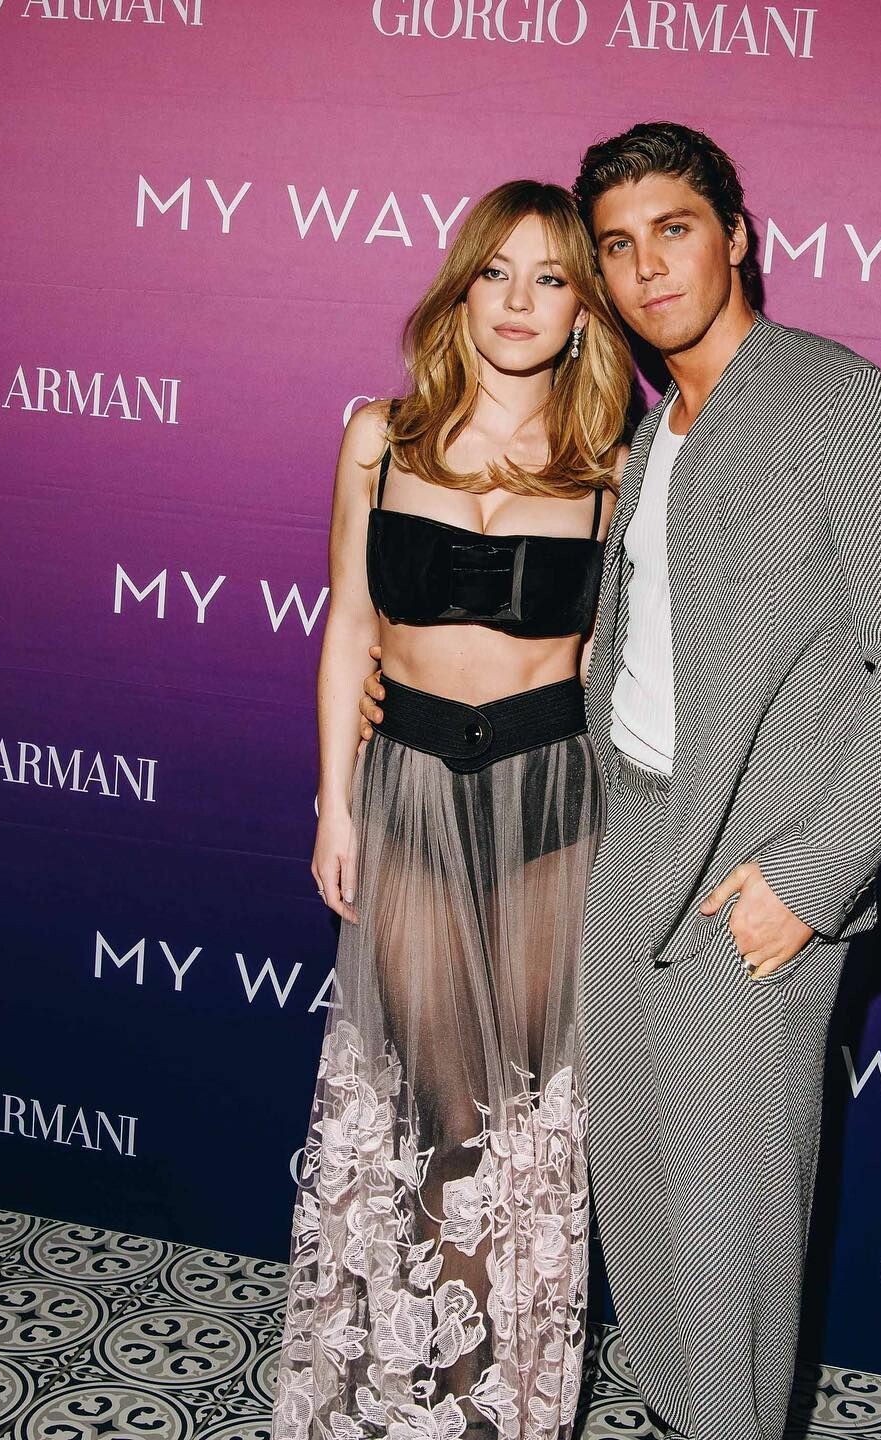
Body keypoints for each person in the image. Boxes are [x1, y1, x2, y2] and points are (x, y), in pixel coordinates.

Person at [360, 125, 881, 1440]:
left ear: (738, 237)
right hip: (627, 846)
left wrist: (809, 878)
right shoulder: (649, 436)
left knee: (728, 1234)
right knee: (643, 1212)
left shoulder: (835, 402)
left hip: (755, 884)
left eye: (675, 230)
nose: (647, 268)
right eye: (619, 247)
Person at [272, 180, 631, 1440]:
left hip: (554, 806)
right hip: (410, 793)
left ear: (584, 312)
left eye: (553, 278)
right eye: (497, 272)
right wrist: (335, 805)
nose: (520, 301)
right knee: (443, 1112)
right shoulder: (379, 437)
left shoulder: (617, 468)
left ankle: (497, 1411)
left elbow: (623, 667)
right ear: (460, 288)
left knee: (524, 1117)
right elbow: (348, 627)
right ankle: (429, 1394)